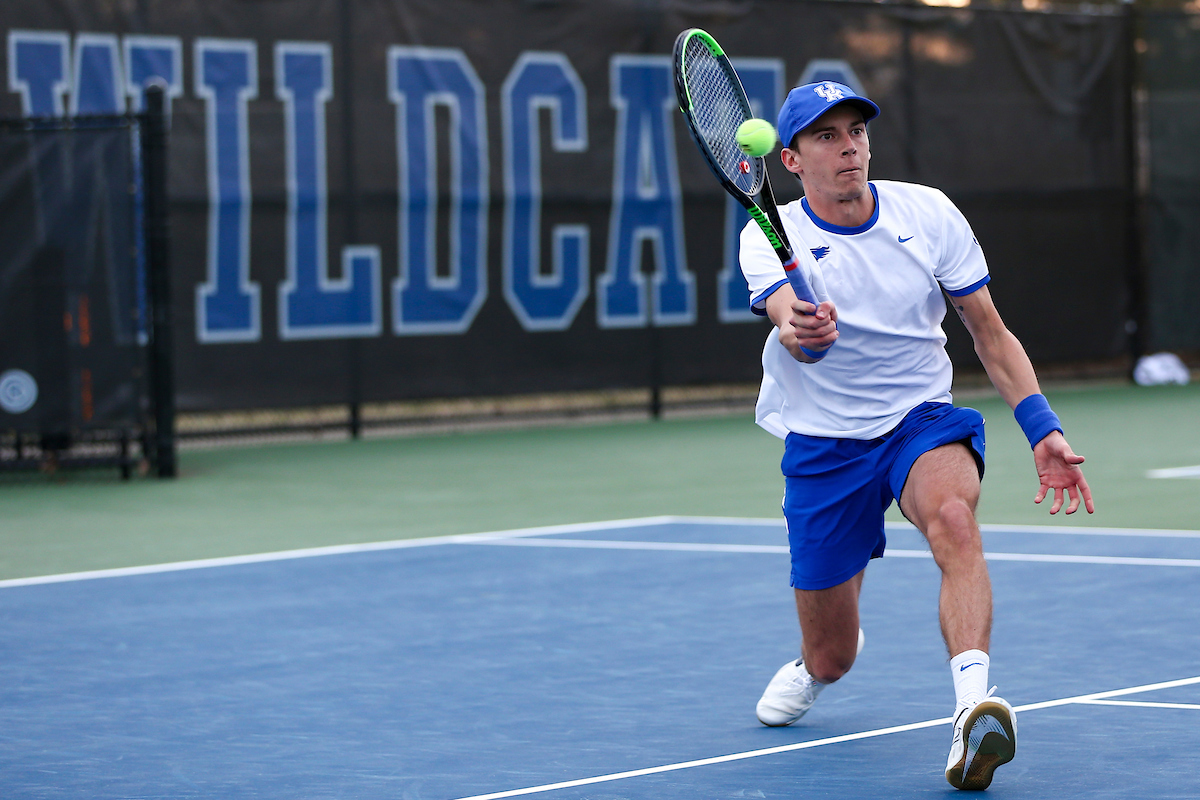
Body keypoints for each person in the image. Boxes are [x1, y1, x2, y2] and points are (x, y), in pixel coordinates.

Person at [738, 81, 1095, 791]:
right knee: (834, 654)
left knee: (954, 519)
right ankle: (816, 666)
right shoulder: (766, 234)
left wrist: (1041, 428)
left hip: (918, 420)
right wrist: (804, 332)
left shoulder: (927, 213)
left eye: (857, 131)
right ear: (792, 160)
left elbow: (988, 331)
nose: (849, 147)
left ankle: (973, 711)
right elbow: (789, 325)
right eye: (827, 136)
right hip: (825, 442)